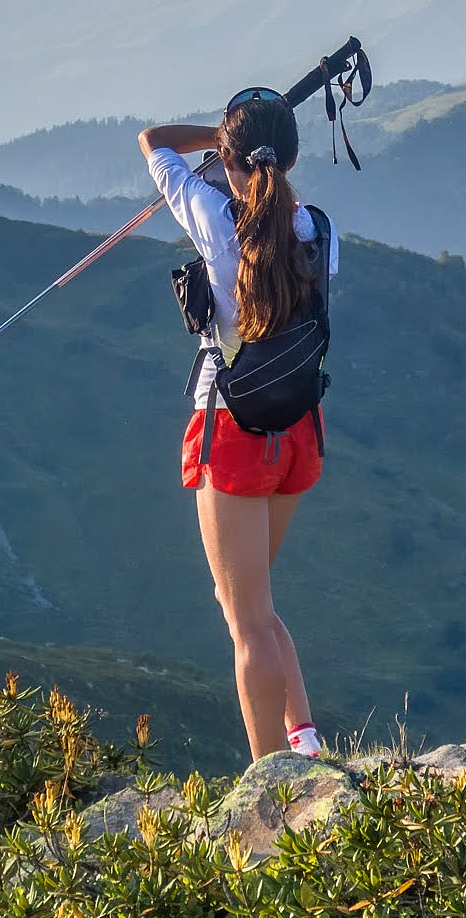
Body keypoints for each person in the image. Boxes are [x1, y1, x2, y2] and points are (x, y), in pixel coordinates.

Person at [140, 88, 338, 762]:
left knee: (242, 613)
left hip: (233, 429)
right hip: (297, 429)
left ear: (229, 159)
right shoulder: (317, 229)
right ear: (289, 157)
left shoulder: (211, 217)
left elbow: (153, 140)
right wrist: (244, 147)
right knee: (254, 599)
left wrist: (216, 139)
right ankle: (305, 739)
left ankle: (269, 776)